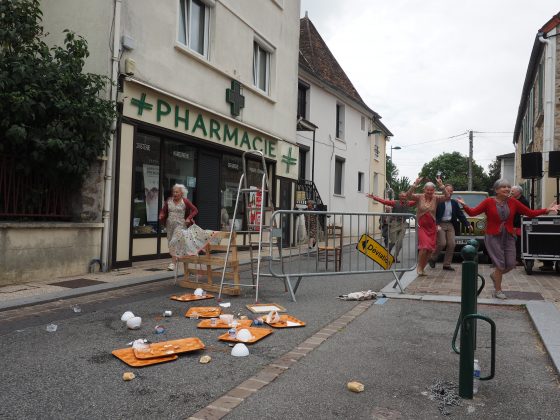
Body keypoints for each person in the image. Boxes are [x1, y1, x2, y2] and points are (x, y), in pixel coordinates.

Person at [456, 179, 559, 299]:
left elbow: (529, 213)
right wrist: (464, 205)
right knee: (500, 264)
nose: (506, 189)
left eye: (508, 187)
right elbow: (473, 213)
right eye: (503, 187)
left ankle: (495, 275)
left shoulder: (513, 202)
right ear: (496, 190)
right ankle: (498, 290)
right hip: (493, 236)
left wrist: (547, 210)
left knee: (510, 264)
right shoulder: (488, 202)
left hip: (508, 235)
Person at [406, 176, 450, 276]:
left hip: (431, 227)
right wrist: (415, 184)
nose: (429, 192)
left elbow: (447, 197)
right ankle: (419, 267)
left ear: (434, 190)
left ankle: (423, 267)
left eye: (431, 190)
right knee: (424, 247)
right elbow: (408, 195)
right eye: (427, 190)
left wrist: (442, 186)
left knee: (430, 250)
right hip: (421, 226)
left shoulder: (436, 198)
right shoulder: (419, 197)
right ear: (424, 189)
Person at [428, 184, 472, 271]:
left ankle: (446, 265)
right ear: (444, 191)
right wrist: (436, 224)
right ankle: (432, 258)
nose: (449, 192)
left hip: (450, 224)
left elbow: (460, 215)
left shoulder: (454, 203)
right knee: (442, 243)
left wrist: (467, 224)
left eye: (451, 191)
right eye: (448, 190)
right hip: (440, 224)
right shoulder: (439, 201)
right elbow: (433, 214)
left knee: (452, 244)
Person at [366, 192, 416, 262]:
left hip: (403, 224)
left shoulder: (409, 203)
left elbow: (418, 201)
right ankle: (387, 254)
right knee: (392, 241)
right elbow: (384, 202)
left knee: (400, 243)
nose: (404, 198)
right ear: (399, 197)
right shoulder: (395, 203)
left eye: (405, 196)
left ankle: (395, 258)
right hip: (395, 223)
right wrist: (374, 197)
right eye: (402, 196)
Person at [159, 184, 198, 270]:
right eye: (174, 191)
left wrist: (188, 218)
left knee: (173, 241)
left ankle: (173, 263)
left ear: (181, 193)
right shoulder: (168, 201)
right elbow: (163, 210)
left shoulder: (185, 201)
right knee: (170, 243)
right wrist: (161, 215)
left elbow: (195, 210)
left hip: (180, 225)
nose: (175, 193)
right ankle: (179, 256)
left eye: (177, 192)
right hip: (169, 225)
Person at [511, 185, 530, 264]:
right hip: (514, 225)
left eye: (513, 191)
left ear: (518, 192)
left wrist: (515, 226)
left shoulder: (523, 202)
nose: (511, 192)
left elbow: (521, 215)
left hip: (520, 226)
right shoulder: (513, 200)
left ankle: (518, 260)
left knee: (518, 242)